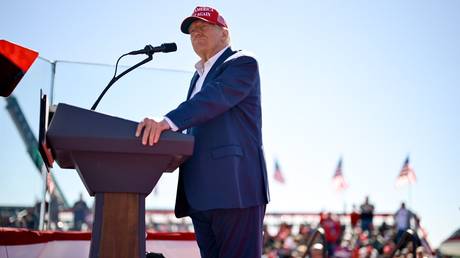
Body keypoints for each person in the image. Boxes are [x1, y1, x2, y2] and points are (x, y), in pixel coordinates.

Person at [136, 6, 270, 258]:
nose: (196, 33)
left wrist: (166, 121)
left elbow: (215, 98)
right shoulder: (196, 77)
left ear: (224, 33)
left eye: (204, 26)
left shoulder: (242, 62)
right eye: (192, 30)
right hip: (200, 194)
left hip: (235, 188)